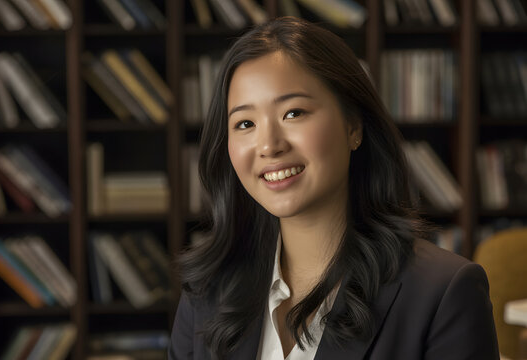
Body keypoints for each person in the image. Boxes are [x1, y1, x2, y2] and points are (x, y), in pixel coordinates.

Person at [168, 17, 499, 360]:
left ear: (353, 125)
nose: (269, 145)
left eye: (293, 113)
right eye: (245, 123)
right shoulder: (206, 291)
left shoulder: (443, 293)